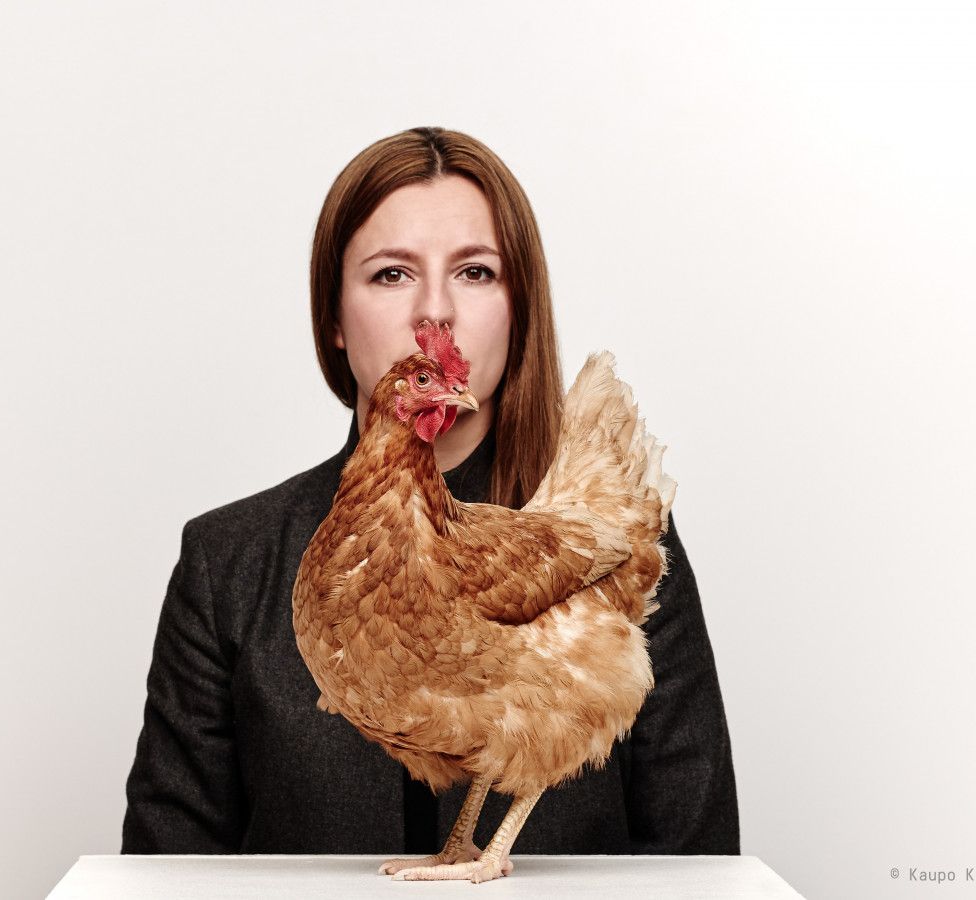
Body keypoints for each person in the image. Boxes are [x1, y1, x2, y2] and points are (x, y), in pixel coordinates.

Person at [121, 126, 740, 857]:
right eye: (392, 274)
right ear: (333, 318)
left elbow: (696, 857)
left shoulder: (615, 542)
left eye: (475, 272)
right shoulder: (229, 563)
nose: (435, 310)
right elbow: (166, 869)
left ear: (519, 307)